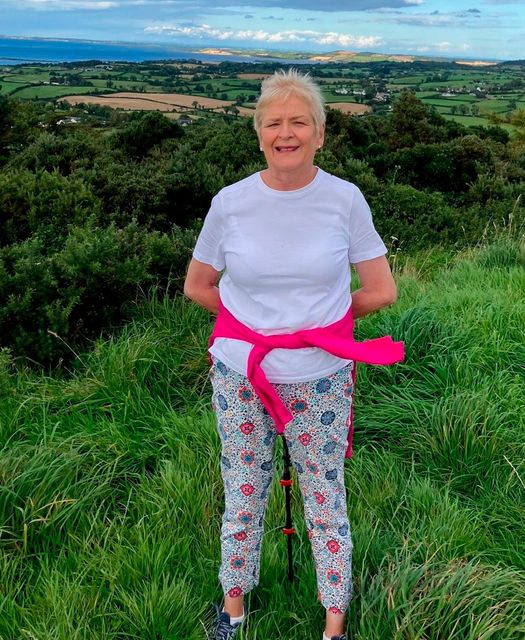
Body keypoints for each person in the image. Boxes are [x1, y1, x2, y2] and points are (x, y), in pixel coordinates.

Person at [184, 68, 403, 640]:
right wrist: (253, 329)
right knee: (243, 491)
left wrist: (319, 328)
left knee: (324, 495)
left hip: (321, 374)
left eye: (299, 121)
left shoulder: (344, 200)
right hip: (241, 373)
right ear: (259, 134)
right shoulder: (230, 204)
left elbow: (381, 290)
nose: (287, 133)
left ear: (320, 133)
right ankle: (231, 612)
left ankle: (335, 623)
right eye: (274, 123)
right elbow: (199, 284)